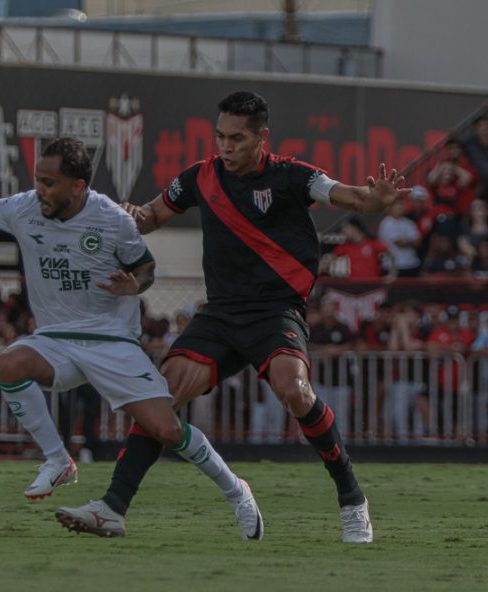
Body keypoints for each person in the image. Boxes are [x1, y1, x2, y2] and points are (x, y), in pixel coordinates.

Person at [120, 90, 409, 544]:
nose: (225, 147)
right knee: (161, 397)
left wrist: (375, 201)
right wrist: (130, 216)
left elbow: (346, 196)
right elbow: (152, 215)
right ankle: (112, 508)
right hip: (220, 314)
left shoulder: (292, 176)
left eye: (236, 138)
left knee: (295, 392)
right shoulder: (200, 177)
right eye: (220, 137)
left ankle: (352, 499)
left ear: (262, 138)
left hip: (275, 312)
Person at [0, 137, 262, 540]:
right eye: (38, 180)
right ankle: (57, 459)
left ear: (78, 186)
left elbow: (147, 268)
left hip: (112, 341)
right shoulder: (23, 207)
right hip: (56, 338)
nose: (40, 190)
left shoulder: (112, 219)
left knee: (166, 430)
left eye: (49, 183)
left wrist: (135, 286)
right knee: (9, 363)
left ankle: (236, 490)